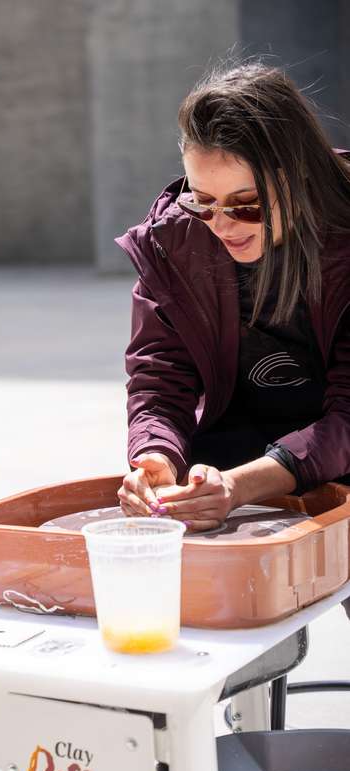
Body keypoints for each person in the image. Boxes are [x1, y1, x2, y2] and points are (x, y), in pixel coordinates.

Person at [117, 60, 350, 531]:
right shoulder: (176, 244)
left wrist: (241, 486)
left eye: (247, 205)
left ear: (300, 178)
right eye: (201, 200)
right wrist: (155, 454)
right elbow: (159, 377)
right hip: (229, 459)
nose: (220, 225)